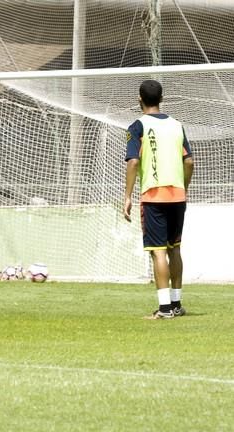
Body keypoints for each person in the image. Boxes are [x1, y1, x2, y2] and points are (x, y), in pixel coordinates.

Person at [124, 79, 194, 320]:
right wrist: (182, 188)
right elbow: (189, 161)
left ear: (139, 100)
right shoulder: (177, 125)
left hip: (153, 196)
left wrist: (127, 196)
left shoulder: (137, 126)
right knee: (175, 249)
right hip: (177, 195)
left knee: (158, 252)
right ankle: (176, 304)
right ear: (162, 99)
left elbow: (133, 161)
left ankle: (164, 310)